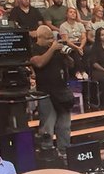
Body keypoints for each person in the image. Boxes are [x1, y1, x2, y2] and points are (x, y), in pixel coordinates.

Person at [31, 24, 74, 155]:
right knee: (47, 126)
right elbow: (38, 63)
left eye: (52, 38)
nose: (51, 41)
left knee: (65, 125)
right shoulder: (35, 48)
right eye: (48, 38)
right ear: (40, 38)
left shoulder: (55, 50)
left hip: (62, 92)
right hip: (46, 93)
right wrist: (52, 49)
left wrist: (65, 55)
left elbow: (71, 65)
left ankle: (64, 152)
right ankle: (47, 152)